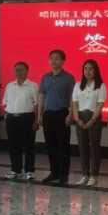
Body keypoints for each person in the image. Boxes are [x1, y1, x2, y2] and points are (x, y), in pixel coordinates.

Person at [38, 49, 75, 184]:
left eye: (57, 58)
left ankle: (64, 173)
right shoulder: (45, 77)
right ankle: (54, 172)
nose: (53, 61)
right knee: (50, 145)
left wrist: (71, 114)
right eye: (51, 58)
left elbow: (72, 97)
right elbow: (41, 96)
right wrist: (39, 114)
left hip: (62, 114)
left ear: (63, 61)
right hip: (48, 114)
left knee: (63, 145)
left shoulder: (68, 78)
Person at [2, 61, 39, 183]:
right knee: (13, 145)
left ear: (27, 71)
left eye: (21, 70)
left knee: (29, 145)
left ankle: (30, 170)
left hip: (27, 118)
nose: (18, 72)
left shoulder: (33, 86)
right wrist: (5, 119)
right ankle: (15, 170)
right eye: (16, 70)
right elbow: (6, 103)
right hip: (11, 118)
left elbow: (38, 105)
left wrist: (36, 121)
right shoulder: (9, 86)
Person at [72, 59, 107, 187]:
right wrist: (77, 119)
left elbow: (100, 105)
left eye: (91, 69)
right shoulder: (78, 85)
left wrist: (92, 120)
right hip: (80, 117)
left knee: (94, 147)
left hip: (94, 117)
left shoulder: (100, 85)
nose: (88, 71)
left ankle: (94, 175)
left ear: (95, 70)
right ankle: (85, 174)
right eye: (85, 69)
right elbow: (75, 104)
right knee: (82, 147)